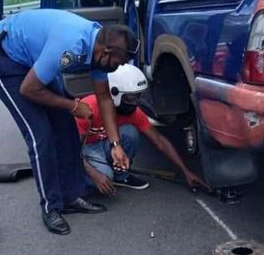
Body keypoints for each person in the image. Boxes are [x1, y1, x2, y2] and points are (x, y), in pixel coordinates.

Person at [0, 9, 140, 235]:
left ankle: (71, 196)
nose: (118, 67)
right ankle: (50, 207)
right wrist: (73, 106)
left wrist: (115, 145)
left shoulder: (98, 53)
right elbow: (29, 89)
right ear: (106, 51)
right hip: (6, 58)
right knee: (40, 136)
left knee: (66, 130)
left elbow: (104, 98)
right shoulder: (71, 46)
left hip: (33, 61)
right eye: (118, 62)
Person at [76, 64, 206, 195]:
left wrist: (186, 171)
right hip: (84, 148)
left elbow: (159, 140)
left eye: (137, 96)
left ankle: (121, 176)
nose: (135, 102)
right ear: (114, 92)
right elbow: (70, 150)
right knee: (103, 177)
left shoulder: (134, 113)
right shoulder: (89, 108)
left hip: (107, 144)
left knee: (130, 132)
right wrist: (96, 176)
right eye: (130, 98)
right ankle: (79, 180)